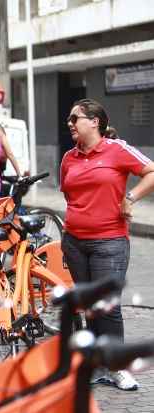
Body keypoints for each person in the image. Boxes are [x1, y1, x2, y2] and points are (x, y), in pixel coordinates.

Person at [60, 98, 154, 391]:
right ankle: (98, 364)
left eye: (75, 118)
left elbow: (151, 172)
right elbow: (69, 195)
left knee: (108, 307)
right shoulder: (68, 158)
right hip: (75, 242)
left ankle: (118, 368)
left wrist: (130, 198)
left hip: (109, 241)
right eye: (69, 119)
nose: (70, 123)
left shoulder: (117, 149)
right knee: (89, 307)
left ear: (94, 122)